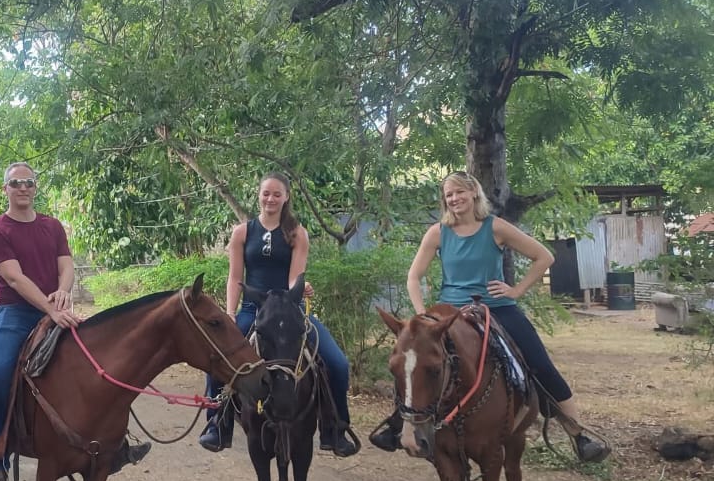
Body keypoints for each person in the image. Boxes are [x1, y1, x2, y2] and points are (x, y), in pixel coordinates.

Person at [368, 170, 610, 462]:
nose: (454, 198)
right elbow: (413, 277)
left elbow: (544, 256)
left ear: (474, 193)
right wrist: (423, 316)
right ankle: (398, 425)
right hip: (451, 313)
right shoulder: (438, 232)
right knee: (415, 363)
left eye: (459, 192)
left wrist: (516, 290)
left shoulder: (495, 227)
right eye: (448, 195)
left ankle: (579, 435)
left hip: (497, 308)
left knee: (540, 364)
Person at [0, 162, 149, 481]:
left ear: (35, 187)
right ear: (5, 189)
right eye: (16, 183)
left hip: (53, 307)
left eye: (29, 182)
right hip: (13, 312)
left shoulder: (52, 226)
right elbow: (14, 278)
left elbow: (66, 266)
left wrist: (63, 293)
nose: (23, 188)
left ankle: (116, 444)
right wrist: (50, 309)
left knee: (100, 360)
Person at [198, 171, 359, 457]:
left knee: (338, 364)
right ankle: (217, 424)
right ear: (258, 195)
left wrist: (301, 287)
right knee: (217, 360)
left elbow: (294, 277)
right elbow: (235, 277)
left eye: (276, 194)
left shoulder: (297, 233)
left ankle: (335, 429)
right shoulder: (242, 232)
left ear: (286, 197)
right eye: (266, 193)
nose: (270, 199)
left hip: (289, 311)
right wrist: (230, 314)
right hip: (252, 309)